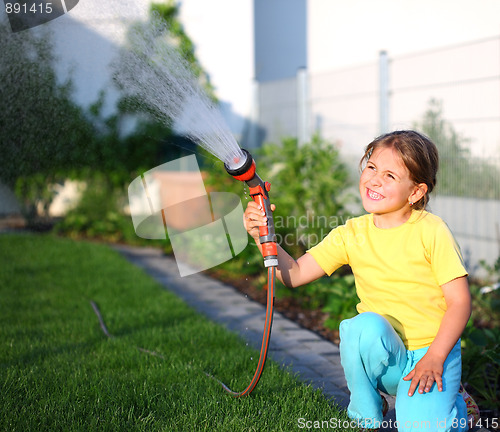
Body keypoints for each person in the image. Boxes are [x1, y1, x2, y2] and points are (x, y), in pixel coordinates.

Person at [243, 130, 480, 431]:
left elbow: (460, 302)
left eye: (390, 176)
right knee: (360, 327)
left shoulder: (432, 232)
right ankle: (367, 411)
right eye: (371, 167)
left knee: (421, 427)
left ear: (416, 192)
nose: (375, 179)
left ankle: (456, 403)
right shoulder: (351, 234)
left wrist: (435, 357)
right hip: (389, 358)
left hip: (433, 355)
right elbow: (295, 274)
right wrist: (263, 238)